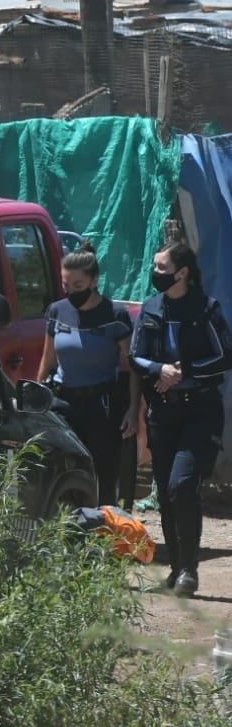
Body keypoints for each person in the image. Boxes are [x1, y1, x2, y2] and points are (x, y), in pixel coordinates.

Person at [127, 240, 232, 598]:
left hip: (199, 410)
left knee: (181, 484)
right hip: (163, 412)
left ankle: (189, 568)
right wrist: (160, 369)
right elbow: (135, 356)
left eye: (161, 268)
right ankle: (177, 566)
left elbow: (225, 355)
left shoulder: (205, 308)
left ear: (182, 273)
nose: (155, 274)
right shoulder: (152, 308)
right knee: (167, 492)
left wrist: (183, 371)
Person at [36, 245, 135, 506]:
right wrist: (35, 395)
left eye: (78, 285)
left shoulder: (116, 316)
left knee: (103, 471)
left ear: (94, 281)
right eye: (66, 284)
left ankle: (103, 531)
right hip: (64, 403)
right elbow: (48, 358)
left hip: (100, 406)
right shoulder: (57, 310)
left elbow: (133, 366)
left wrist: (133, 409)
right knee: (64, 470)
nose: (71, 291)